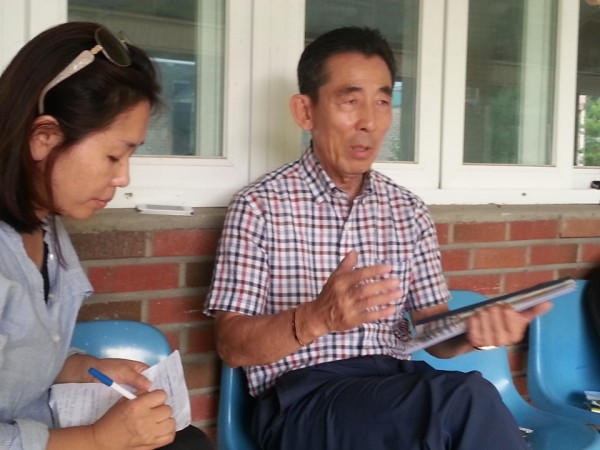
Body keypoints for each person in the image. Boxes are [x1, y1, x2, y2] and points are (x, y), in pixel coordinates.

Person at [205, 26, 552, 450]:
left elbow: (432, 334)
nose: (369, 121)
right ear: (305, 111)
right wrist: (317, 318)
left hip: (391, 384)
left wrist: (473, 334)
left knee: (465, 400)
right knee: (465, 402)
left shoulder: (407, 210)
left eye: (383, 101)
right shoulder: (260, 206)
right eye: (350, 101)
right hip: (301, 399)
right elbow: (232, 345)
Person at [0, 22, 213, 450]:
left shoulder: (45, 226)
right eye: (114, 155)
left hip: (44, 428)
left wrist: (83, 369)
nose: (123, 178)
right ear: (44, 138)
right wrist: (96, 438)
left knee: (185, 441)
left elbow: (19, 362)